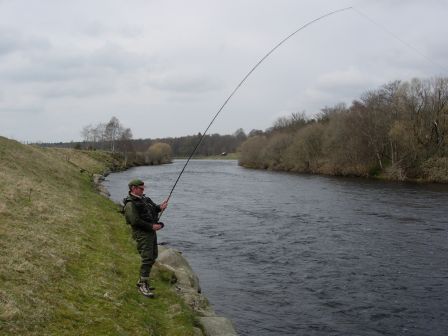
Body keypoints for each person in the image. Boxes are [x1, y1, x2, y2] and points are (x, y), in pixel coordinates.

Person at [123, 179, 168, 298]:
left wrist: (160, 207)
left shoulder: (145, 199)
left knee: (153, 256)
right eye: (141, 189)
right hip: (142, 234)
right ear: (133, 188)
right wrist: (152, 226)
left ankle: (143, 280)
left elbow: (154, 208)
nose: (143, 190)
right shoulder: (130, 204)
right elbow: (134, 221)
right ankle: (143, 285)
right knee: (147, 258)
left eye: (143, 188)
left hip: (150, 233)